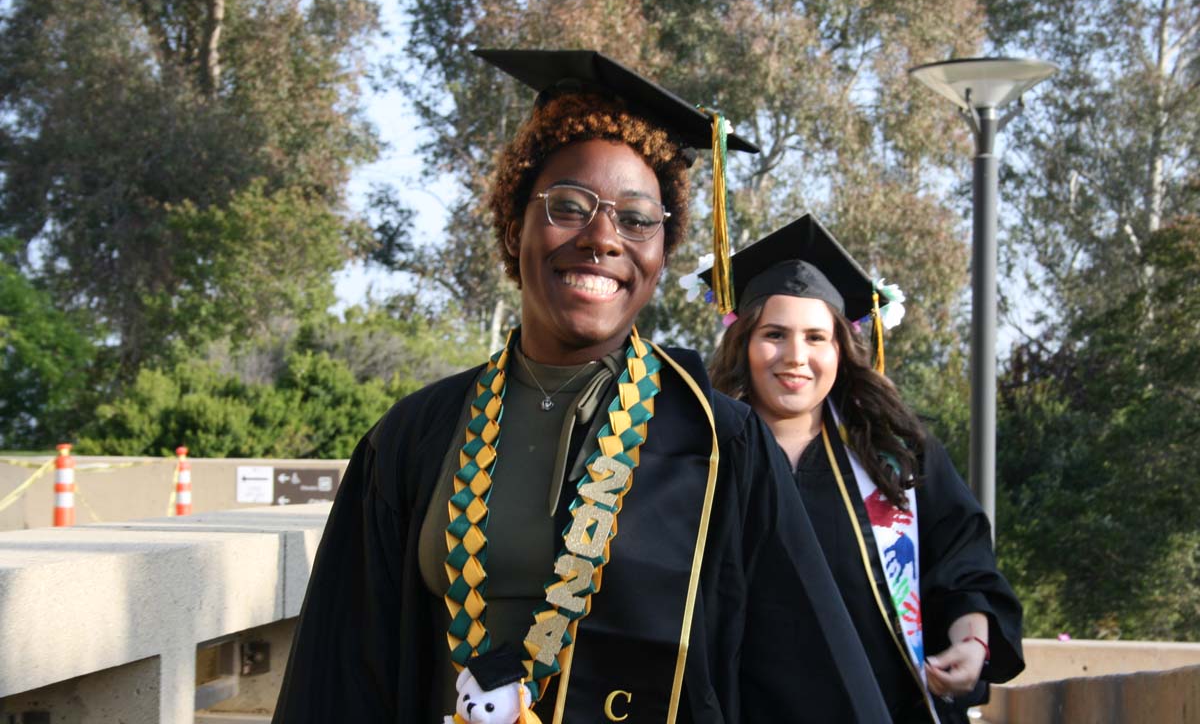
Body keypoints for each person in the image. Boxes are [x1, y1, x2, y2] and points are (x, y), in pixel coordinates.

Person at [273, 51, 890, 723]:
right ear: (516, 224)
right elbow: (343, 674)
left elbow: (806, 681)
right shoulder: (414, 436)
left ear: (661, 254)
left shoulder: (725, 444)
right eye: (569, 206)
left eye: (636, 219)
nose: (602, 238)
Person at [705, 214, 1025, 724]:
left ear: (840, 349)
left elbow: (962, 560)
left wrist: (972, 639)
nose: (795, 356)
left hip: (883, 709)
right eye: (774, 334)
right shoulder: (705, 455)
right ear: (743, 342)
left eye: (816, 337)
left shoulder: (894, 457)